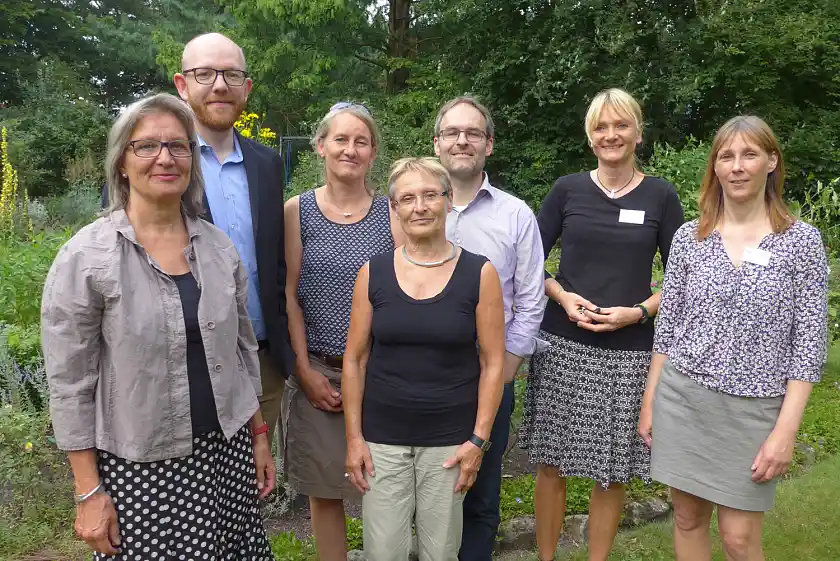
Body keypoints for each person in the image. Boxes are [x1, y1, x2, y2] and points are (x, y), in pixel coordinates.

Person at [41, 93, 275, 559]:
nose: (165, 158)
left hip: (225, 454)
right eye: (146, 146)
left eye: (179, 146)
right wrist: (88, 491)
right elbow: (70, 384)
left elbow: (242, 352)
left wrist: (259, 437)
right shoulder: (87, 258)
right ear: (122, 163)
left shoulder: (217, 248)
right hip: (141, 468)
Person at [639, 115, 828, 561]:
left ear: (771, 162)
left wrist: (786, 432)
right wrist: (650, 401)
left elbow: (808, 346)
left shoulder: (801, 243)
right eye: (727, 156)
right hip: (683, 399)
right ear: (716, 168)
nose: (737, 166)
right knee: (686, 519)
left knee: (740, 540)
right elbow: (668, 327)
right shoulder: (691, 238)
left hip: (753, 409)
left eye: (749, 154)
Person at [521, 88, 684, 561]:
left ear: (638, 132)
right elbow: (528, 260)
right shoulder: (567, 189)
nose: (611, 135)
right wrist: (562, 296)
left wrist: (639, 311)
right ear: (590, 137)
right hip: (563, 345)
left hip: (628, 352)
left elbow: (682, 277)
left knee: (609, 469)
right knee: (551, 462)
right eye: (601, 127)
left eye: (621, 125)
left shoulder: (660, 195)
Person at [342, 157, 506, 560]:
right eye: (408, 198)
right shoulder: (373, 273)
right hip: (382, 440)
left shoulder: (479, 273)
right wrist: (353, 438)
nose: (420, 206)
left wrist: (477, 442)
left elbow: (493, 362)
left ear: (448, 202)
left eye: (431, 195)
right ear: (395, 208)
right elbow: (355, 360)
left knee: (441, 552)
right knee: (384, 552)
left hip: (449, 442)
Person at [282, 102, 404, 560]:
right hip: (317, 371)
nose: (350, 150)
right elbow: (290, 294)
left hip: (381, 373)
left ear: (373, 153)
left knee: (385, 490)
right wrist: (303, 368)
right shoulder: (297, 211)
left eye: (361, 142)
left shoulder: (391, 214)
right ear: (321, 146)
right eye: (341, 139)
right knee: (324, 491)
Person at [430, 96, 546, 560]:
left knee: (480, 492)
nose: (462, 140)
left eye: (473, 133)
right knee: (428, 487)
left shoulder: (515, 215)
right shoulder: (410, 206)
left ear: (489, 145)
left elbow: (532, 296)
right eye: (452, 133)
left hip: (489, 378)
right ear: (436, 144)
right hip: (422, 378)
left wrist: (508, 365)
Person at [173, 33, 295, 447]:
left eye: (232, 74)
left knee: (253, 485)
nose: (220, 85)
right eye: (205, 73)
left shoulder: (267, 164)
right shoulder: (158, 161)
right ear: (181, 85)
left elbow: (275, 261)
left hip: (262, 359)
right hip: (189, 358)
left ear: (247, 87)